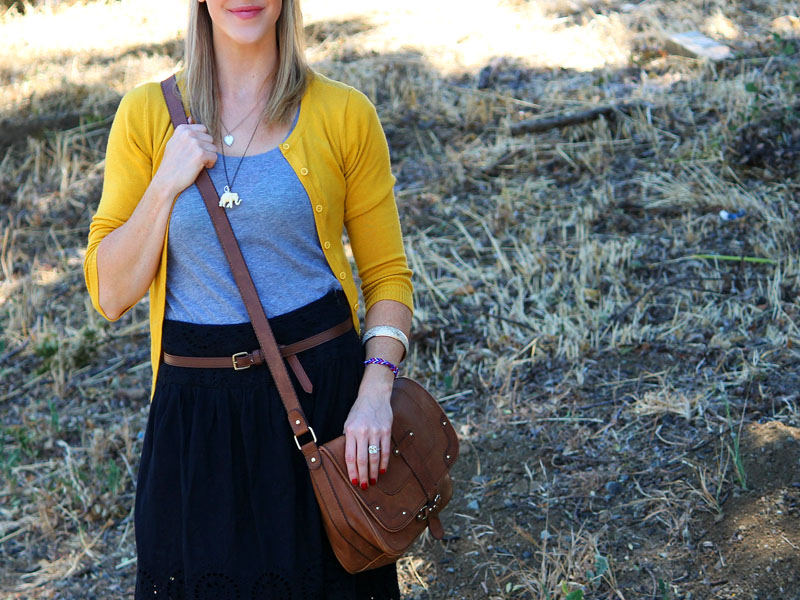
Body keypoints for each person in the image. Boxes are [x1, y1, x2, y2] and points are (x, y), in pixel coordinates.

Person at [83, 0, 413, 597]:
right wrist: (165, 183)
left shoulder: (344, 113)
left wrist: (375, 393)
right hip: (195, 421)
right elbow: (111, 293)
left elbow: (388, 277)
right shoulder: (145, 115)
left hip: (323, 411)